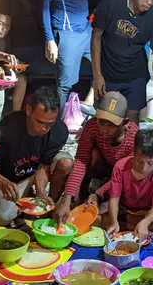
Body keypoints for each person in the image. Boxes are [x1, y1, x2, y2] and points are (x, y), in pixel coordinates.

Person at [0, 86, 72, 226]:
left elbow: (44, 166)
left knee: (66, 162)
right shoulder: (8, 126)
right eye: (40, 122)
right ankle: (27, 196)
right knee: (4, 217)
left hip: (38, 173)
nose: (44, 129)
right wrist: (2, 181)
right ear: (28, 110)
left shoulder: (59, 130)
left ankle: (48, 207)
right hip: (12, 179)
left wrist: (41, 193)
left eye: (49, 124)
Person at [92, 0, 153, 123]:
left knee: (131, 123)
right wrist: (97, 75)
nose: (150, 1)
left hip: (136, 76)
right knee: (106, 121)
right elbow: (96, 37)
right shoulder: (111, 3)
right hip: (108, 75)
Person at [53, 91, 139, 223]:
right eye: (101, 122)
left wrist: (98, 194)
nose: (104, 130)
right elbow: (81, 162)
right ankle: (81, 194)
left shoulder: (133, 136)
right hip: (102, 164)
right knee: (93, 155)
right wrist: (67, 196)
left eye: (110, 125)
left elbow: (124, 175)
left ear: (125, 122)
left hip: (122, 173)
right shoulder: (92, 126)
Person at [42, 0, 102, 112]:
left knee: (104, 67)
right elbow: (44, 2)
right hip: (67, 31)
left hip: (86, 29)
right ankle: (56, 126)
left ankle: (90, 103)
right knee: (65, 84)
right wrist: (49, 39)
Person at [92, 129, 153, 240]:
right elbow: (114, 199)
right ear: (133, 151)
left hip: (147, 212)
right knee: (95, 217)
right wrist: (114, 221)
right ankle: (127, 225)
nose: (144, 168)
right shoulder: (121, 166)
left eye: (150, 163)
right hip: (124, 209)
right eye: (139, 161)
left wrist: (145, 222)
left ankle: (130, 225)